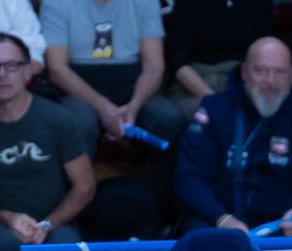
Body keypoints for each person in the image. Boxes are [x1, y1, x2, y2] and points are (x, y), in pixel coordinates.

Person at [0, 33, 95, 251]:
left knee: (66, 244)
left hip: (54, 222)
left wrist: (46, 225)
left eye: (12, 66)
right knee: (1, 241)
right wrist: (7, 218)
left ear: (28, 71)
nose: (2, 74)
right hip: (0, 223)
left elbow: (85, 186)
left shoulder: (57, 119)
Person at [175, 37, 292, 236]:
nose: (270, 81)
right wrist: (222, 219)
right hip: (220, 222)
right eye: (261, 71)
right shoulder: (214, 110)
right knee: (197, 232)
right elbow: (189, 179)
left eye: (279, 72)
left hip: (284, 228)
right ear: (244, 73)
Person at [40, 0, 187, 156]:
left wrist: (134, 106)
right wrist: (104, 108)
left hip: (132, 83)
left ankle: (156, 180)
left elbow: (154, 67)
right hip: (78, 87)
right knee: (79, 122)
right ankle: (81, 180)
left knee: (168, 118)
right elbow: (57, 69)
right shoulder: (55, 3)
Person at [162, 0, 273, 115]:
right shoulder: (189, 3)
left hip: (244, 82)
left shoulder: (259, 3)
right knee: (217, 115)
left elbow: (264, 53)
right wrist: (216, 101)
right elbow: (178, 62)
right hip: (197, 83)